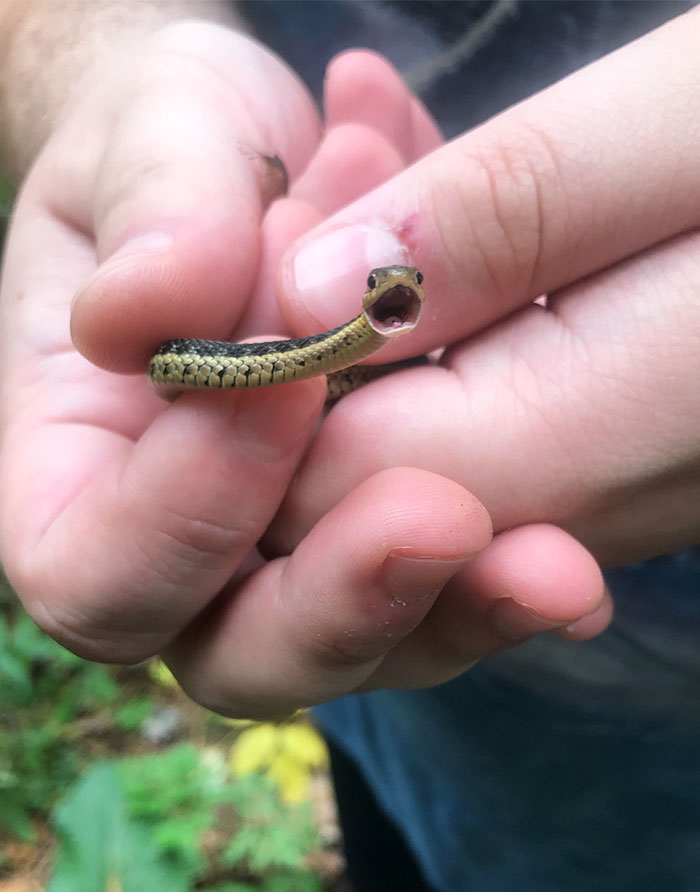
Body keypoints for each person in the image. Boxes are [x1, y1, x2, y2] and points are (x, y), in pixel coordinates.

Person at [0, 2, 699, 890]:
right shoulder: (333, 345)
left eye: (402, 289)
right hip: (382, 677)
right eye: (389, 287)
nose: (402, 288)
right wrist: (105, 78)